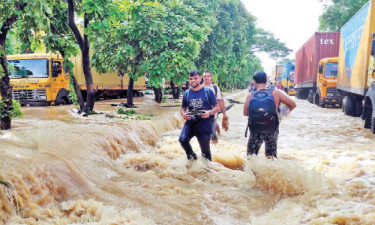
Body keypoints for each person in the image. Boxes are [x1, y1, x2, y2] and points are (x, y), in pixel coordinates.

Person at [243, 71, 296, 159]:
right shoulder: (276, 93)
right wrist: (281, 114)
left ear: (254, 82)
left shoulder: (250, 95)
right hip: (271, 129)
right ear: (266, 80)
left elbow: (246, 113)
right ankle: (270, 171)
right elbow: (292, 104)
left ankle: (252, 172)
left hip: (255, 130)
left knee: (251, 157)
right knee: (270, 157)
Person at [179, 70, 220, 166]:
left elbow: (217, 107)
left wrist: (209, 112)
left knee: (205, 152)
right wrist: (184, 114)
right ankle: (192, 158)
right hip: (191, 122)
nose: (193, 81)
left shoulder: (208, 92)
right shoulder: (187, 93)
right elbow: (183, 108)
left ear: (200, 79)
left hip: (204, 124)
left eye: (195, 78)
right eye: (190, 79)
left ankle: (208, 171)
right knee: (182, 139)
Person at [202, 70, 228, 144]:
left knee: (212, 135)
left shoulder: (215, 88)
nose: (206, 78)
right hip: (201, 115)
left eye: (208, 76)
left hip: (213, 114)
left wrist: (224, 114)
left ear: (211, 78)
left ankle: (216, 151)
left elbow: (220, 101)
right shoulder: (199, 88)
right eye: (204, 76)